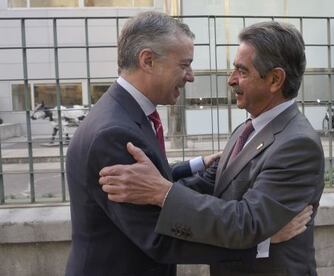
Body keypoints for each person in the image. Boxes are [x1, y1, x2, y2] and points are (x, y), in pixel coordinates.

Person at [65, 11, 311, 276]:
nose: (191, 76)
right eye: (184, 65)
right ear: (147, 60)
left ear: (275, 79)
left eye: (241, 70)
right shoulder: (114, 132)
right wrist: (262, 241)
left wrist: (170, 185)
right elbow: (160, 236)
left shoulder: (286, 140)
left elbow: (161, 184)